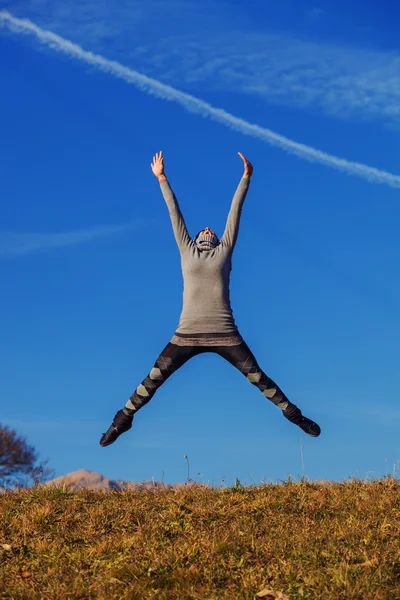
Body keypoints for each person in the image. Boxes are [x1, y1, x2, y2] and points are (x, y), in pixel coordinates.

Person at [100, 151, 321, 447]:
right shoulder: (186, 250)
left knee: (260, 379)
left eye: (210, 229)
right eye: (202, 228)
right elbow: (174, 213)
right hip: (185, 335)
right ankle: (121, 421)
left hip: (225, 335)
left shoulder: (224, 252)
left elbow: (235, 213)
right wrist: (162, 178)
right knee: (151, 381)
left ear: (217, 239)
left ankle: (294, 415)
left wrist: (246, 178)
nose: (206, 228)